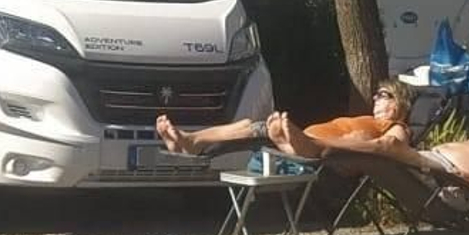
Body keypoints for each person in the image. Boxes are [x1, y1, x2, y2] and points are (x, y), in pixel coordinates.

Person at [299, 101, 469, 209]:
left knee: (388, 147)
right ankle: (307, 148)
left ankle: (312, 146)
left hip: (450, 184)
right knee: (364, 144)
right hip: (431, 168)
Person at [155, 78, 413, 159]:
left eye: (385, 95)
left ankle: (193, 142)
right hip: (308, 140)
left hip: (320, 150)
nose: (377, 99)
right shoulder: (367, 118)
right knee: (252, 126)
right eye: (376, 95)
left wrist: (339, 143)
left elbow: (391, 146)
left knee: (261, 128)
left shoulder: (395, 126)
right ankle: (191, 141)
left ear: (399, 104)